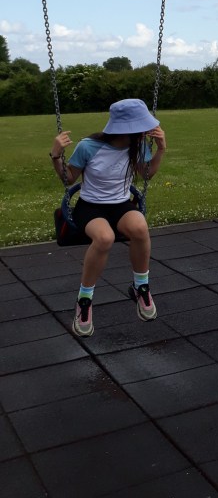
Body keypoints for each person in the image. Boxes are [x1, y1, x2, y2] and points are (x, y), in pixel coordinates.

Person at [50, 98, 167, 338]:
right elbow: (69, 178)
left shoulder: (137, 145)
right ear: (126, 127)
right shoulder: (88, 146)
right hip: (90, 207)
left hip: (120, 204)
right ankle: (84, 300)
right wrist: (56, 156)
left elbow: (146, 175)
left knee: (140, 228)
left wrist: (161, 149)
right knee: (104, 238)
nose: (146, 130)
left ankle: (141, 287)